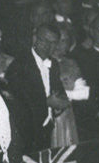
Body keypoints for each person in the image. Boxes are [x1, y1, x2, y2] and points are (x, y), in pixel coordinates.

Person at [4, 24, 70, 154]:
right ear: (34, 39)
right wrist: (46, 102)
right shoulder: (19, 65)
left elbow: (59, 92)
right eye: (44, 40)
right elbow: (16, 101)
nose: (47, 46)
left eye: (53, 42)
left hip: (47, 129)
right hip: (26, 131)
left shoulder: (54, 65)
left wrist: (61, 102)